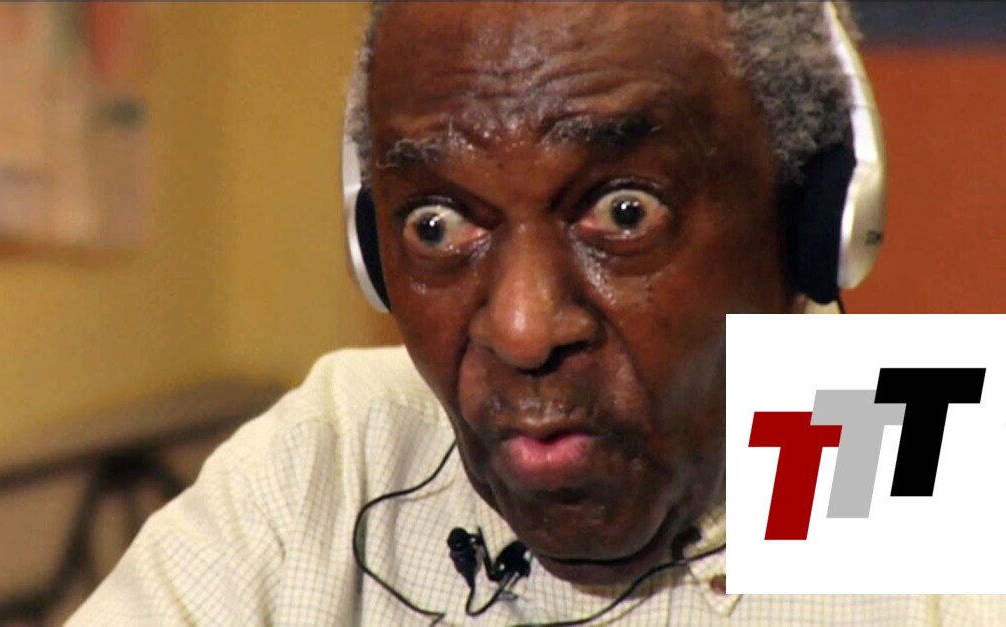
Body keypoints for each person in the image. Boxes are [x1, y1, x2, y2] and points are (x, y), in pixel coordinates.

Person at [70, 2, 1002, 625]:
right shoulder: (338, 451)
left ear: (808, 220)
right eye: (436, 224)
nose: (521, 329)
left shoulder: (921, 455)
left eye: (624, 213)